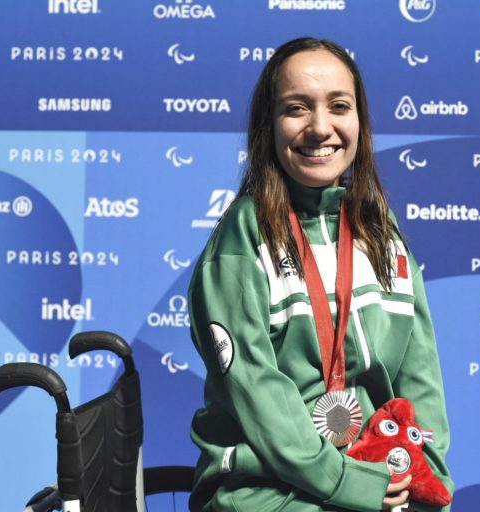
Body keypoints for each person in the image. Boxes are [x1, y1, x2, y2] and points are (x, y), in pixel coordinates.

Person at [187, 37, 452, 512]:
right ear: (268, 125)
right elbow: (257, 392)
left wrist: (427, 475)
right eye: (297, 108)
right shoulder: (242, 239)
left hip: (375, 483)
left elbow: (420, 373)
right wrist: (345, 481)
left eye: (339, 106)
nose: (320, 127)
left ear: (360, 122)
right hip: (266, 490)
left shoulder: (378, 227)